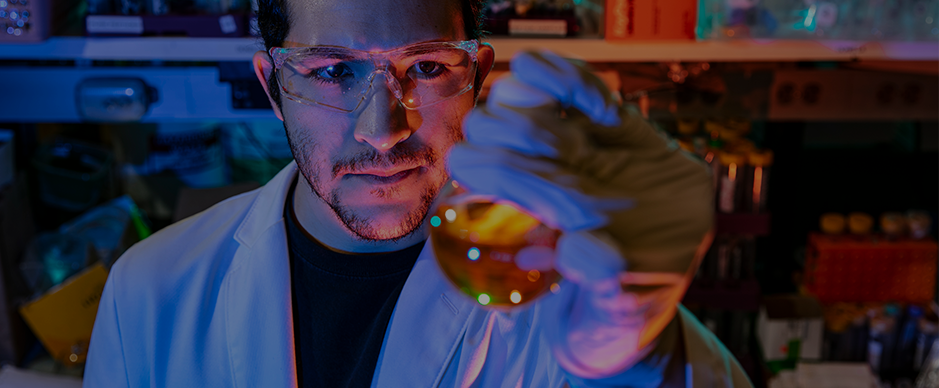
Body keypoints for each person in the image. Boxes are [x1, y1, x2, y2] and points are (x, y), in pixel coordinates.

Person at [83, 0, 753, 386]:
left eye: (426, 67)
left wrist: (640, 356)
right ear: (273, 86)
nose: (382, 131)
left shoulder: (559, 282)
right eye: (332, 71)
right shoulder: (153, 288)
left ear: (476, 75)